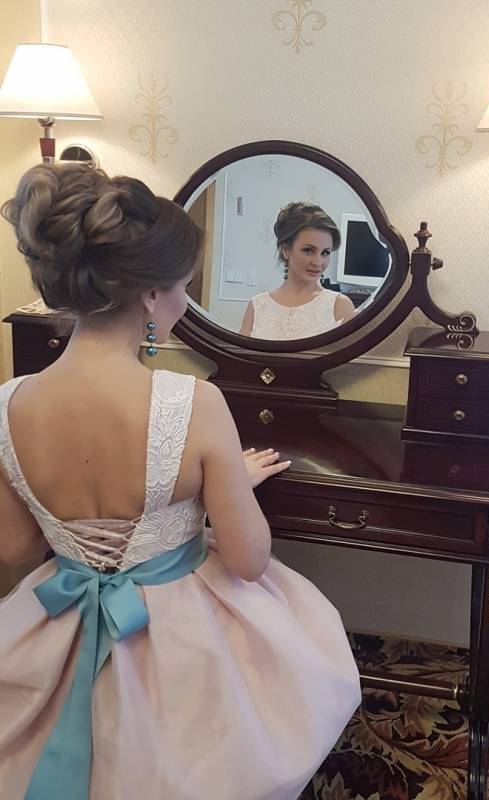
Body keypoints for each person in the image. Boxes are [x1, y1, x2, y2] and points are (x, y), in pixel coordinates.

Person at [0, 164, 362, 800]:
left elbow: (17, 549)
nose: (184, 302)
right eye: (182, 287)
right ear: (148, 295)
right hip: (171, 634)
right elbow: (248, 561)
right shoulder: (191, 402)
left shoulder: (7, 403)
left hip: (56, 621)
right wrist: (227, 484)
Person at [239, 202, 356, 339]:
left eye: (325, 253)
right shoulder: (257, 306)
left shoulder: (340, 306)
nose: (318, 262)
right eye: (308, 250)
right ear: (286, 250)